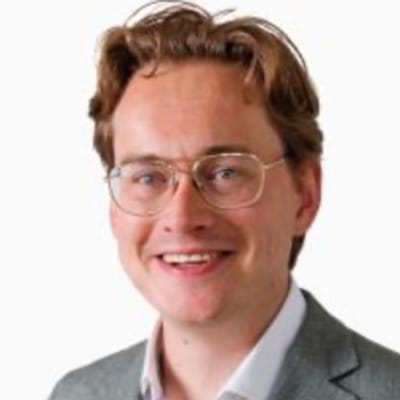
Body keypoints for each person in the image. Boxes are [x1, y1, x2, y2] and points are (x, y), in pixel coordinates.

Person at [49, 1, 400, 399]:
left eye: (225, 172)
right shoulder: (77, 393)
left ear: (304, 195)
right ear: (114, 209)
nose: (182, 217)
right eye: (148, 177)